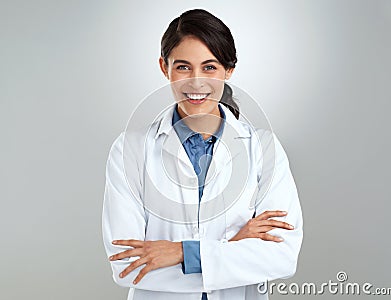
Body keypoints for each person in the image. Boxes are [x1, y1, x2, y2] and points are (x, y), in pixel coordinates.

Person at [102, 9, 303, 300]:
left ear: (228, 70)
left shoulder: (263, 148)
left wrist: (180, 252)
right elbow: (128, 266)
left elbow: (282, 256)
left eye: (209, 67)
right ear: (164, 67)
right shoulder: (130, 149)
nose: (196, 82)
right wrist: (234, 245)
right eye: (183, 67)